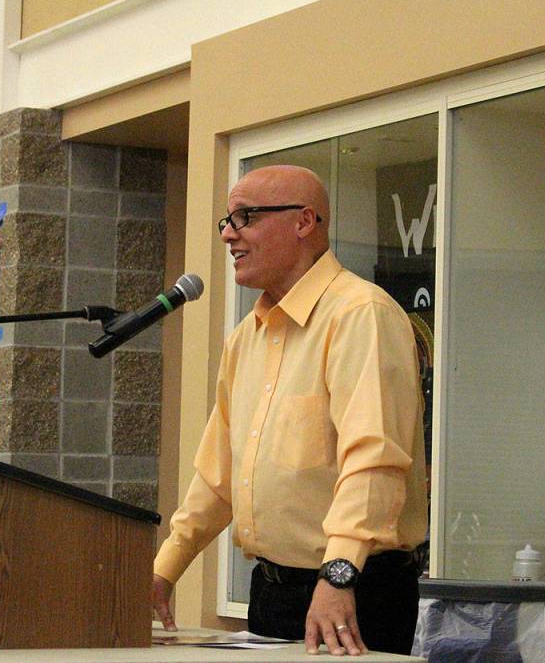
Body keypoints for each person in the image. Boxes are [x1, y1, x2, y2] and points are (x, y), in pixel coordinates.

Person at [152, 165, 427, 656]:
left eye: (246, 217)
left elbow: (374, 461)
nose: (228, 234)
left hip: (352, 590)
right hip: (271, 593)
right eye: (226, 220)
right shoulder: (245, 337)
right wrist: (165, 568)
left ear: (304, 222)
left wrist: (338, 576)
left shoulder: (360, 314)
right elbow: (218, 476)